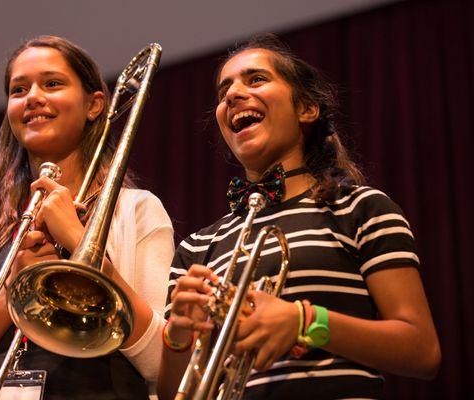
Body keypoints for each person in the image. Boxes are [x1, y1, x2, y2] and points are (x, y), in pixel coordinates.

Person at [157, 34, 440, 399]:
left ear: (306, 109)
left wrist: (306, 323)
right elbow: (172, 393)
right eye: (223, 89)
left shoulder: (360, 209)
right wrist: (177, 335)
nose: (232, 95)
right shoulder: (197, 247)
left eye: (255, 79)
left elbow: (422, 351)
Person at [0, 36, 174, 400]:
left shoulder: (135, 210)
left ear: (94, 105)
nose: (33, 97)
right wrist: (12, 292)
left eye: (52, 83)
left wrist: (78, 241)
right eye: (19, 89)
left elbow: (162, 362)